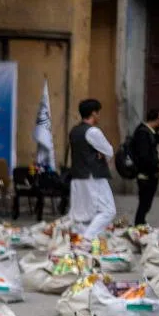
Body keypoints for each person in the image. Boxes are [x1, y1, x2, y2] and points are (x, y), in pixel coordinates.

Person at [68, 98, 116, 238]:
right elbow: (109, 151)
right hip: (93, 176)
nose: (99, 116)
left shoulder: (74, 131)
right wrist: (100, 153)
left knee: (83, 214)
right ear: (94, 113)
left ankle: (79, 241)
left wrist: (99, 153)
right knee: (108, 211)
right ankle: (86, 239)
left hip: (78, 176)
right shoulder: (93, 131)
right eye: (98, 113)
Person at [131, 108, 159, 226]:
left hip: (150, 175)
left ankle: (141, 225)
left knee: (146, 204)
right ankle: (139, 226)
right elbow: (144, 156)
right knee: (144, 204)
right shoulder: (143, 132)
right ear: (157, 118)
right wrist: (153, 170)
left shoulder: (150, 131)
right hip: (146, 176)